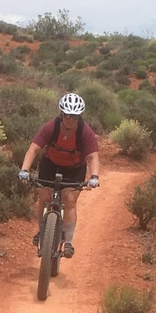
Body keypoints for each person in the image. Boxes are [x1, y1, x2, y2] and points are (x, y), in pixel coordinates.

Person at [18, 92, 100, 257]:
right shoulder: (51, 127)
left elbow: (93, 157)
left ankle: (68, 241)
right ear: (61, 114)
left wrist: (94, 177)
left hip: (75, 168)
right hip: (51, 164)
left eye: (74, 117)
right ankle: (42, 231)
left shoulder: (85, 132)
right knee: (44, 197)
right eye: (67, 116)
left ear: (79, 117)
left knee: (69, 200)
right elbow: (34, 149)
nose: (70, 120)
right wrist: (24, 170)